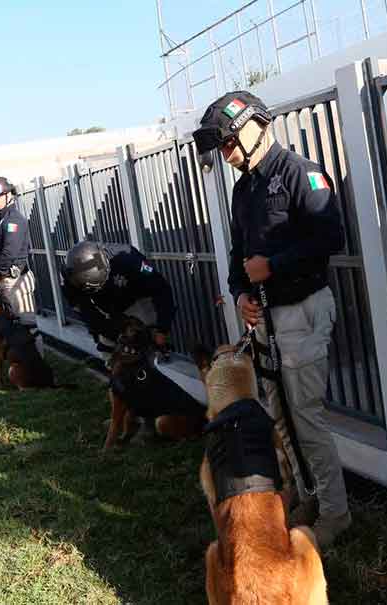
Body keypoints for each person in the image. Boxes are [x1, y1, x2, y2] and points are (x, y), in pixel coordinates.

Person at [194, 90, 351, 546]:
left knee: (306, 416)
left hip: (302, 310)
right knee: (280, 415)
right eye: (220, 148)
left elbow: (331, 236)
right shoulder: (244, 189)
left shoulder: (302, 173)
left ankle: (335, 513)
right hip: (266, 320)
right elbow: (238, 258)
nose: (226, 155)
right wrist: (242, 293)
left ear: (254, 127)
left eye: (227, 143)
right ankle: (307, 498)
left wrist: (275, 266)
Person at [62, 240, 176, 442]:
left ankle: (148, 420)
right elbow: (89, 316)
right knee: (114, 363)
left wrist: (161, 328)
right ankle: (127, 415)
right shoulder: (71, 277)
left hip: (138, 301)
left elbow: (161, 289)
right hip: (107, 313)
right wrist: (114, 334)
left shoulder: (128, 259)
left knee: (143, 363)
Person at [0, 177, 36, 325]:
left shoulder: (14, 220)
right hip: (2, 280)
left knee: (26, 325)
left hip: (16, 280)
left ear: (8, 195)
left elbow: (9, 252)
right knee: (10, 324)